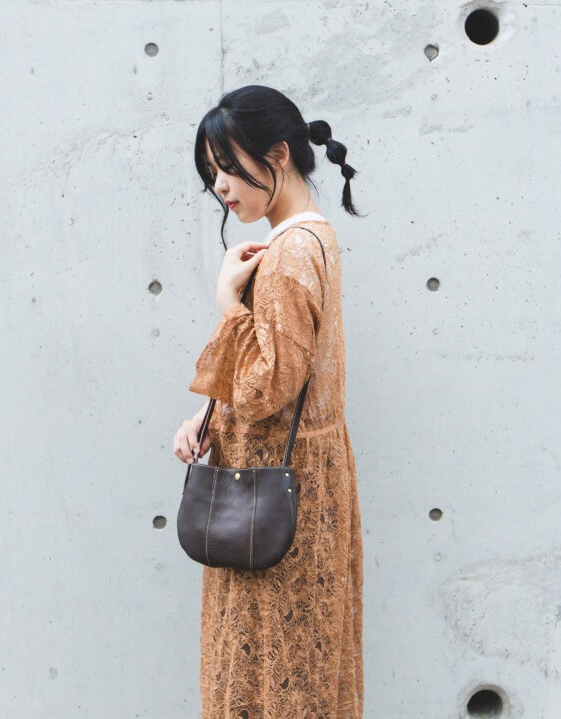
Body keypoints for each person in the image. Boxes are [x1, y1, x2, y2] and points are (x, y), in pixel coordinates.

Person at [172, 84, 364, 718]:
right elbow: (287, 371)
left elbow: (262, 390)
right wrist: (207, 416)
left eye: (229, 166)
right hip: (304, 485)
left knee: (263, 683)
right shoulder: (316, 238)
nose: (221, 186)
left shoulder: (287, 256)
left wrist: (228, 302)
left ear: (278, 154)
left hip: (272, 499)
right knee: (305, 676)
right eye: (212, 172)